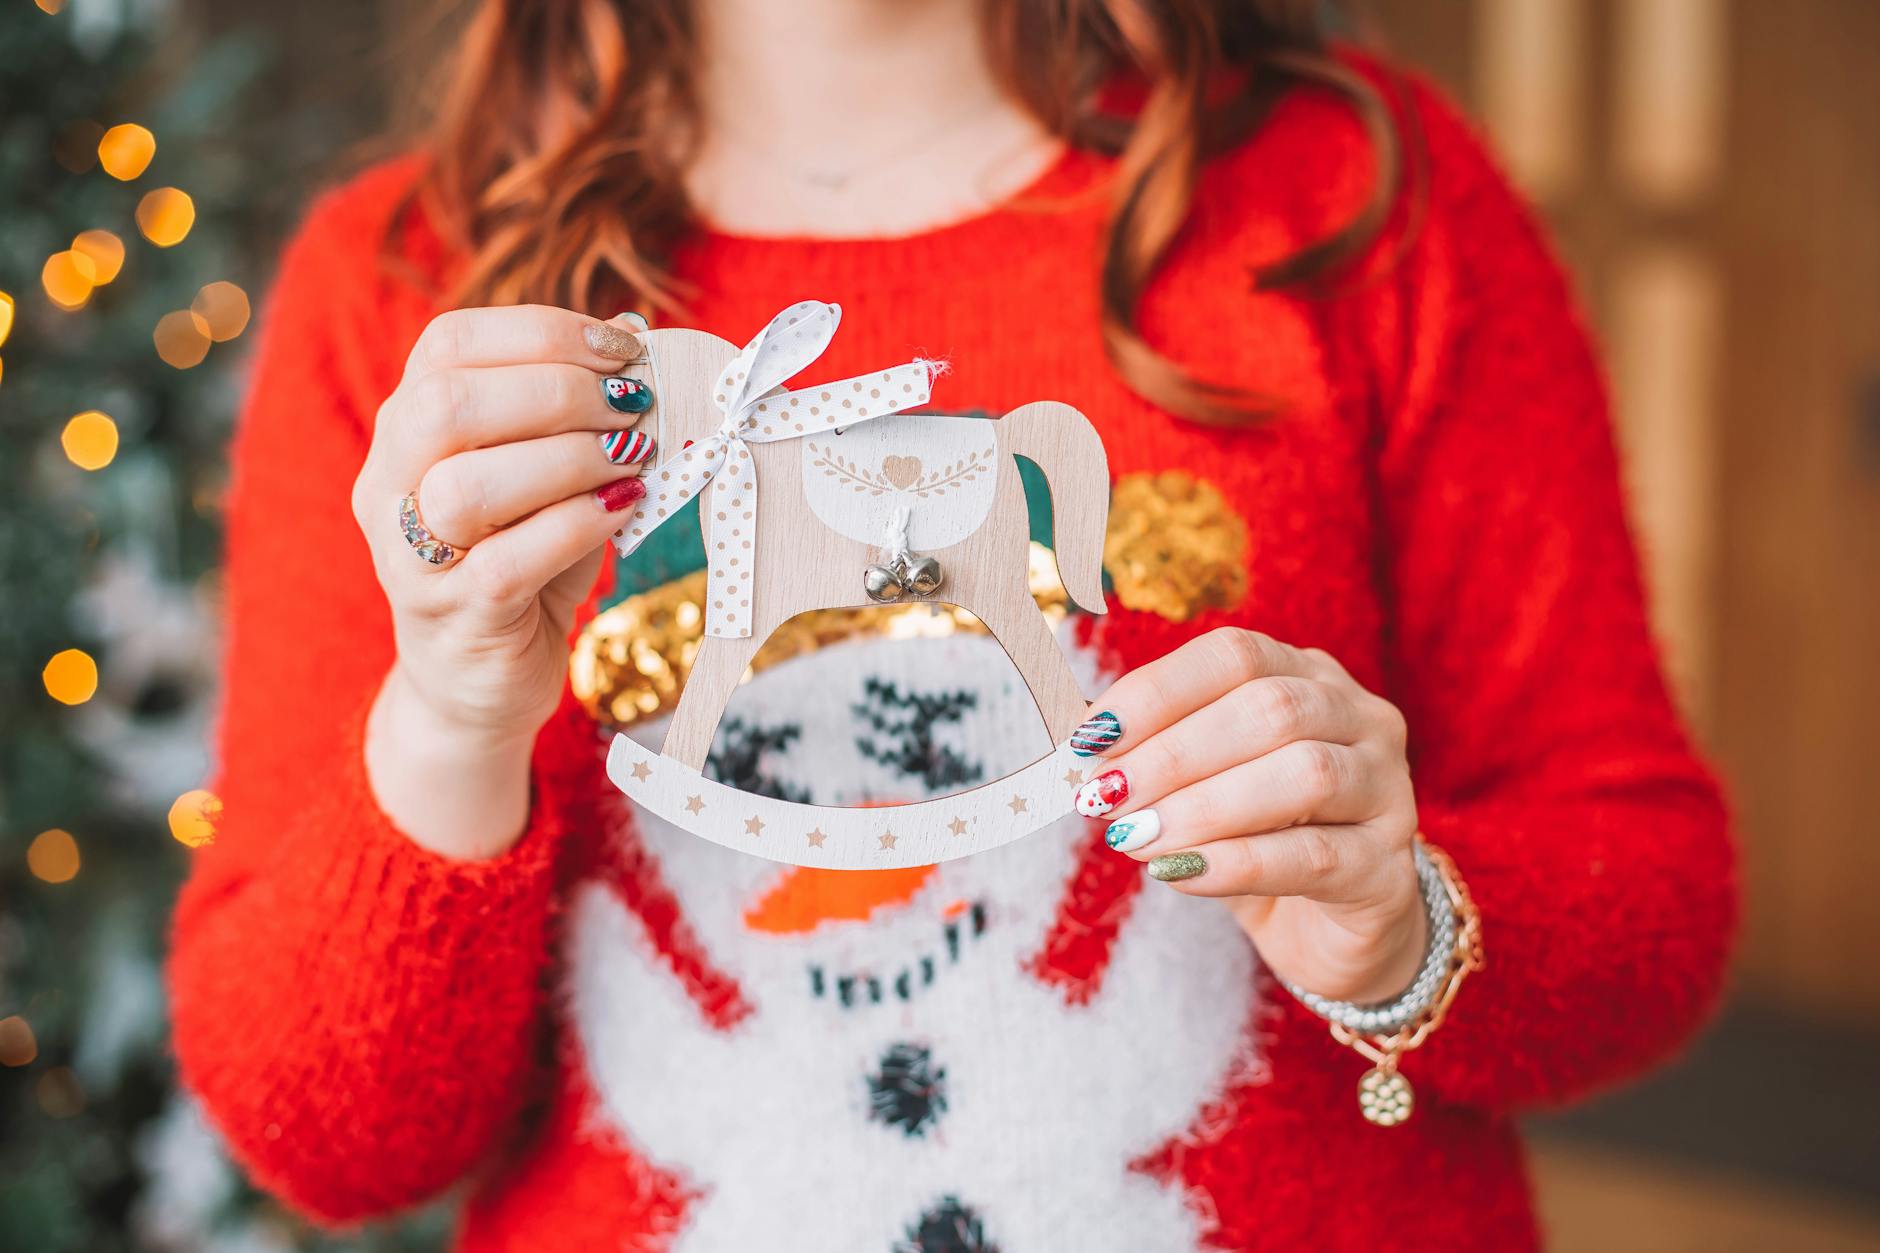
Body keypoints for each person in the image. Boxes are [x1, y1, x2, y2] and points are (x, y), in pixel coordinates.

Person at [167, 1, 1737, 1249]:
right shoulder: (401, 295)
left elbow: (1650, 884)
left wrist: (1406, 927)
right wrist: (451, 717)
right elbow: (333, 1140)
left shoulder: (1354, 195)